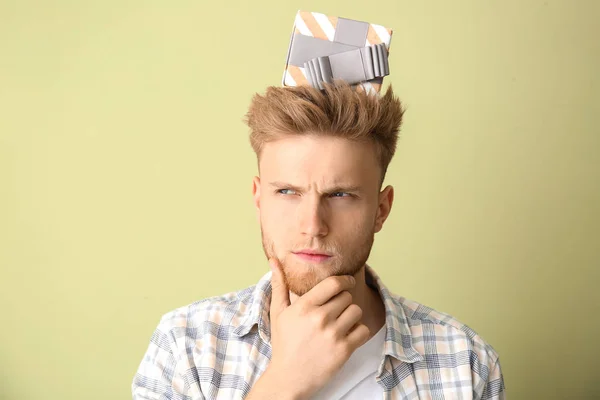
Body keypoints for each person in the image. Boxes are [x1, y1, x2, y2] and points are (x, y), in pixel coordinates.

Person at [131, 82, 506, 399]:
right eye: (288, 192)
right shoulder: (185, 346)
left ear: (381, 208)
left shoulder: (465, 362)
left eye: (341, 195)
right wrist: (284, 383)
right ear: (259, 198)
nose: (312, 225)